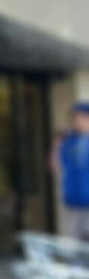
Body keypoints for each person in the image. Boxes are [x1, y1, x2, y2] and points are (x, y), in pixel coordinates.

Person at [55, 102, 89, 240]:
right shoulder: (68, 142)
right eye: (73, 117)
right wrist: (57, 144)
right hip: (72, 202)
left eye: (79, 117)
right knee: (73, 248)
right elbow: (55, 165)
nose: (75, 120)